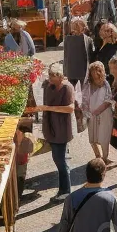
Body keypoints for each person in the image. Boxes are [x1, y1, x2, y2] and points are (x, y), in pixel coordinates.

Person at [27, 65, 75, 198]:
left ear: (60, 76)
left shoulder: (67, 88)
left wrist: (48, 108)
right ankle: (64, 189)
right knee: (58, 158)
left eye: (52, 76)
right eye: (49, 75)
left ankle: (65, 191)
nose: (50, 78)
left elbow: (70, 108)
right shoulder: (48, 85)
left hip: (61, 128)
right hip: (51, 126)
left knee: (60, 160)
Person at [81, 62, 114, 162]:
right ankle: (98, 157)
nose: (95, 73)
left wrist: (98, 111)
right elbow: (84, 99)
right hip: (92, 115)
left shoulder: (105, 83)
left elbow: (109, 100)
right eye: (93, 71)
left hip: (105, 115)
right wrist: (86, 113)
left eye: (98, 71)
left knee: (104, 137)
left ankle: (105, 158)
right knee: (92, 138)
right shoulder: (88, 85)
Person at [14, 117, 35, 195]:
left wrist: (19, 145)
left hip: (20, 152)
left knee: (20, 173)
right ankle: (17, 196)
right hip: (19, 148)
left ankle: (18, 196)